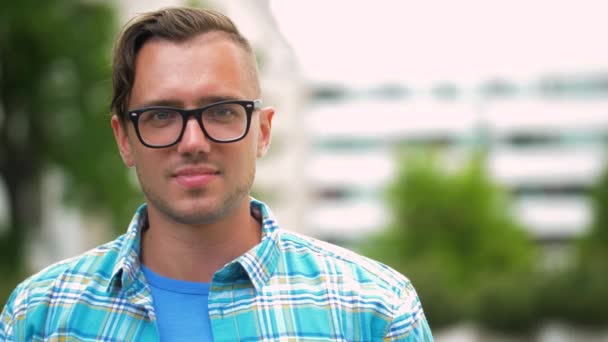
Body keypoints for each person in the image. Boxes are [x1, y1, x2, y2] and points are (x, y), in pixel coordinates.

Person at [0, 7, 432, 341]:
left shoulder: (374, 311)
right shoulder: (40, 317)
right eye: (161, 115)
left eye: (222, 111)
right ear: (125, 139)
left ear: (262, 131)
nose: (192, 142)